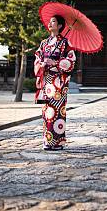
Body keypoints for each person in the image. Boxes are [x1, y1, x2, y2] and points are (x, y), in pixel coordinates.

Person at [34, 15, 76, 150]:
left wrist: (56, 63)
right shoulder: (44, 43)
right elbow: (37, 59)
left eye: (53, 21)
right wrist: (42, 64)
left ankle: (58, 142)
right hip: (47, 81)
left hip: (59, 82)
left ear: (59, 26)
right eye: (50, 21)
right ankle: (47, 140)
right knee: (47, 111)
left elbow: (71, 61)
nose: (50, 23)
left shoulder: (65, 43)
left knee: (58, 111)